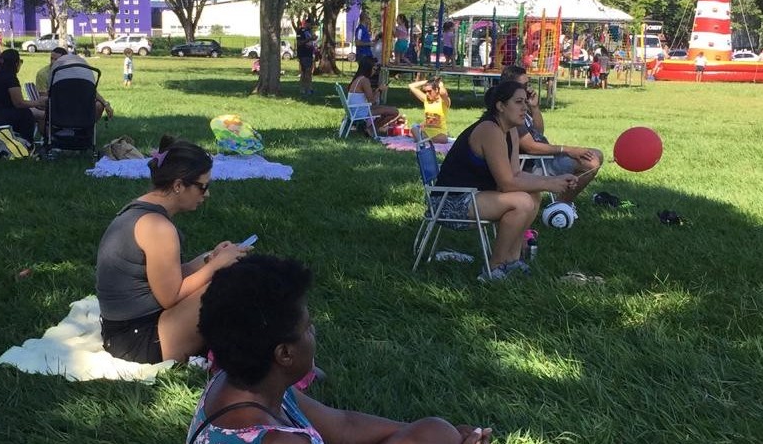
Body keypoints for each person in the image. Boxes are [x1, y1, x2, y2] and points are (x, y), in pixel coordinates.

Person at [188, 254, 493, 444]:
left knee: (434, 432)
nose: (314, 332)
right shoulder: (278, 440)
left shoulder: (244, 384)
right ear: (284, 354)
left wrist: (445, 436)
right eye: (307, 327)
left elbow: (343, 426)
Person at [96, 135, 251, 364]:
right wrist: (217, 266)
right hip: (139, 341)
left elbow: (165, 277)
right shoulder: (158, 227)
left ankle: (263, 354)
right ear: (178, 185)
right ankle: (268, 360)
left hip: (123, 332)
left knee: (230, 280)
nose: (206, 194)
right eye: (202, 186)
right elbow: (171, 296)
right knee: (232, 284)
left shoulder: (141, 209)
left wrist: (209, 258)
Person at [435, 82, 577, 280]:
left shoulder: (510, 130)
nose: (524, 108)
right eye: (518, 102)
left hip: (474, 195)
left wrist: (551, 180)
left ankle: (512, 259)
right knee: (522, 202)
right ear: (500, 106)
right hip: (451, 201)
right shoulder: (489, 130)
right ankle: (494, 267)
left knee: (533, 195)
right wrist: (550, 183)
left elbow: (515, 173)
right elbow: (507, 184)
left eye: (525, 103)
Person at [500, 65, 603, 208]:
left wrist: (534, 108)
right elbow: (531, 148)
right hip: (532, 164)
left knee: (597, 154)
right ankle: (561, 205)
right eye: (523, 86)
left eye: (528, 84)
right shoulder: (511, 113)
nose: (528, 89)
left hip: (543, 158)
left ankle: (563, 201)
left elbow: (538, 132)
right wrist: (567, 149)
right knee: (591, 162)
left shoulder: (522, 106)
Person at [35, 48, 115, 122]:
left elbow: (90, 90)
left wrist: (105, 103)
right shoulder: (43, 74)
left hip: (77, 104)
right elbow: (44, 97)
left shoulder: (74, 71)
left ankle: (87, 129)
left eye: (56, 59)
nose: (53, 62)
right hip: (56, 106)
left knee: (98, 105)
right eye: (51, 58)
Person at [347, 61, 400, 135]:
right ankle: (371, 129)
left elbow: (370, 98)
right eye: (374, 69)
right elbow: (372, 101)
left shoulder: (358, 79)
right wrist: (380, 90)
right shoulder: (364, 80)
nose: (374, 72)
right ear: (368, 69)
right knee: (395, 112)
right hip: (360, 112)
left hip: (357, 109)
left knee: (388, 109)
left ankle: (371, 129)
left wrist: (378, 89)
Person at [409, 77, 450, 144]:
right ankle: (424, 140)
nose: (427, 94)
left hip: (439, 133)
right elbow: (411, 86)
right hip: (426, 132)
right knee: (414, 128)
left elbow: (443, 93)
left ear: (436, 90)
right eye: (425, 92)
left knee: (443, 139)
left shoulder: (443, 102)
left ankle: (422, 140)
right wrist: (428, 81)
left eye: (429, 91)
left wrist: (440, 84)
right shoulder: (426, 99)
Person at [296, 20, 317, 95]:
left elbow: (313, 43)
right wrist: (310, 39)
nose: (310, 26)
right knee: (305, 72)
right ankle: (303, 89)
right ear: (306, 24)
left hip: (310, 54)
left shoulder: (310, 32)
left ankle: (309, 88)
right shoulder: (300, 31)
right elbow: (299, 43)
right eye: (309, 24)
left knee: (309, 72)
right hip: (303, 54)